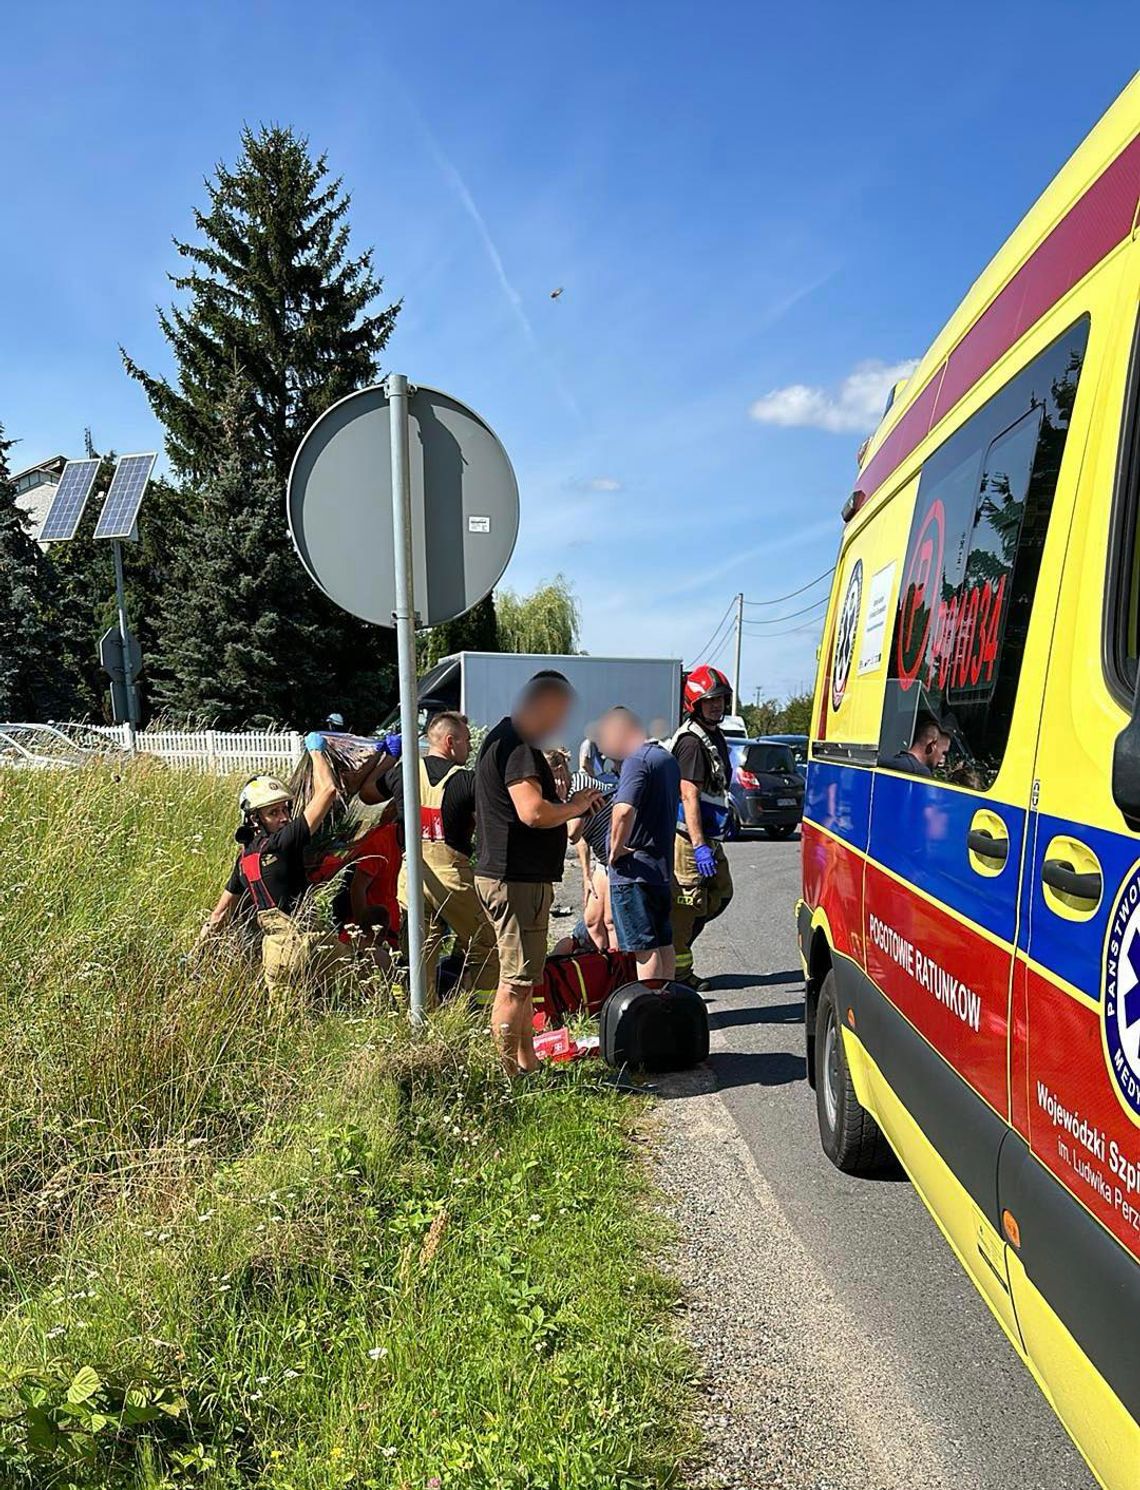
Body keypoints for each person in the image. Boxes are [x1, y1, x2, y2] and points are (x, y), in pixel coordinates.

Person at [475, 672, 603, 1073]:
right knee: (515, 983)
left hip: (513, 877)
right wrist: (576, 805)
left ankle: (526, 1062)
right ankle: (508, 1073)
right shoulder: (517, 746)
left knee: (524, 980)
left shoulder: (506, 740)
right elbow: (532, 812)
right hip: (516, 881)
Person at [201, 733, 353, 1001]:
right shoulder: (283, 843)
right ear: (255, 819)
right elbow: (327, 791)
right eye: (274, 813)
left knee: (284, 1027)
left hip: (275, 954)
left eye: (285, 809)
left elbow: (219, 915)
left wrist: (197, 952)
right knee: (354, 989)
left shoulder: (244, 861)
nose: (284, 818)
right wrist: (317, 752)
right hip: (310, 941)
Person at [383, 711, 499, 1003]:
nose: (470, 747)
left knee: (418, 952)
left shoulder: (403, 772)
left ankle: (420, 1015)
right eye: (467, 740)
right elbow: (488, 827)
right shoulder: (467, 782)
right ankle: (484, 1012)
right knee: (485, 943)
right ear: (450, 741)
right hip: (451, 877)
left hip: (412, 874)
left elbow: (370, 793)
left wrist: (384, 755)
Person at [599, 706, 681, 981]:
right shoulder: (665, 759)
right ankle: (667, 1004)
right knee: (662, 942)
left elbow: (623, 810)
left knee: (644, 949)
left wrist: (616, 849)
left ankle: (650, 1013)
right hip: (659, 869)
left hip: (634, 873)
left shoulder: (636, 761)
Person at [669, 665, 735, 989]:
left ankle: (675, 954)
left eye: (721, 700)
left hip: (707, 837)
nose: (717, 705)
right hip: (688, 840)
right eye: (710, 701)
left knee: (721, 892)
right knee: (685, 906)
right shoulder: (692, 743)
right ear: (695, 703)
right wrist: (698, 845)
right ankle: (678, 975)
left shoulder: (713, 736)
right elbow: (688, 794)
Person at [886, 715, 950, 778]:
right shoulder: (920, 773)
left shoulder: (892, 762)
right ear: (932, 745)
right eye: (943, 753)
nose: (942, 760)